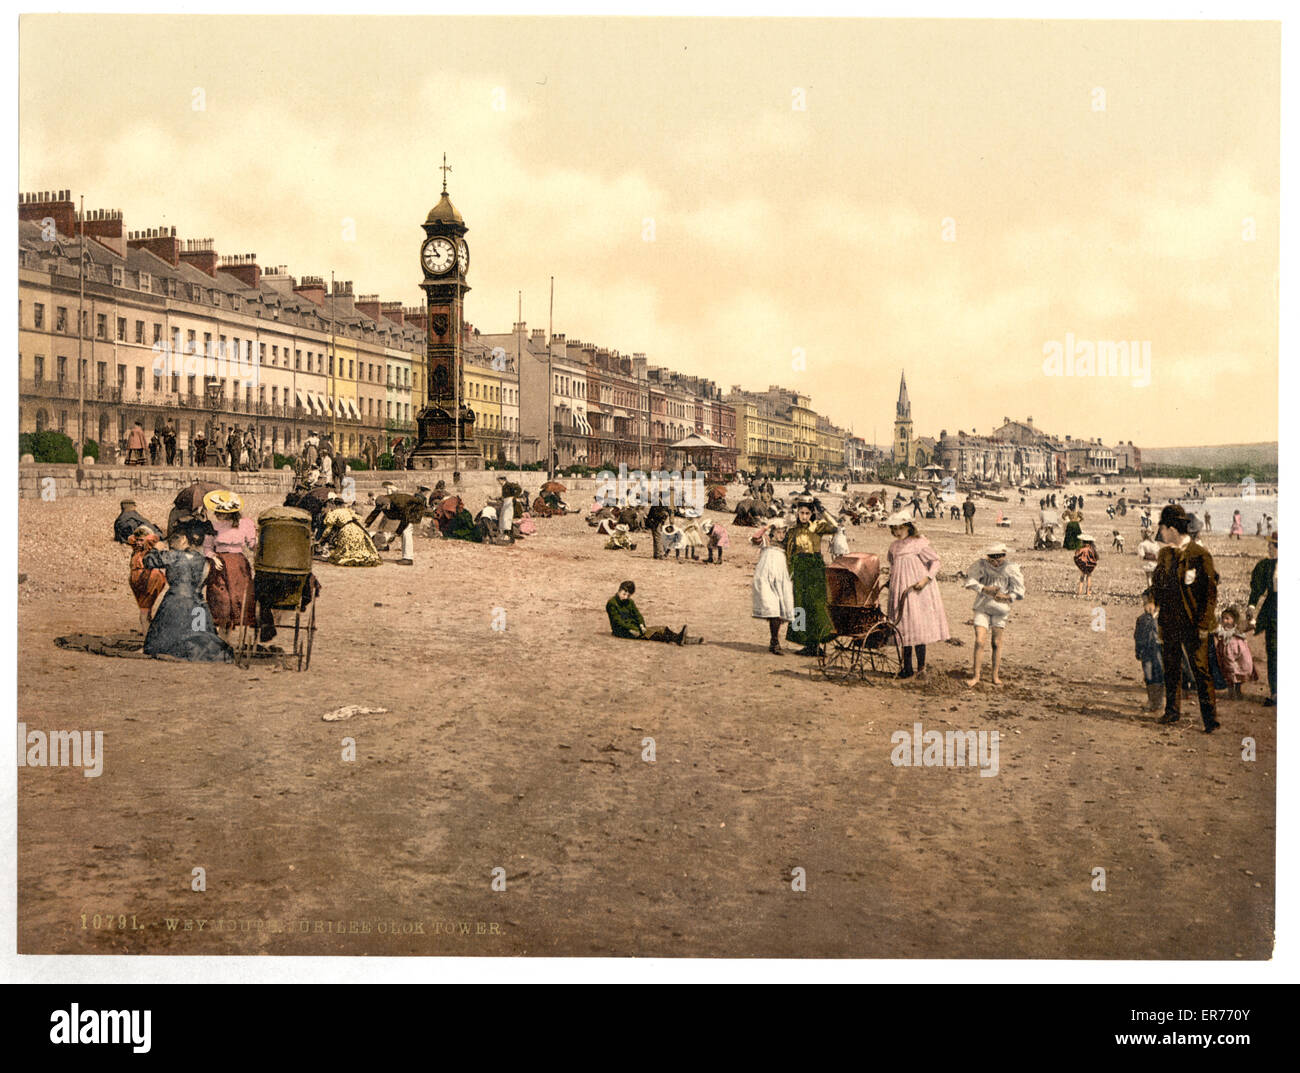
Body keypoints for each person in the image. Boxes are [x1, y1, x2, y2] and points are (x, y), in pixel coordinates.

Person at [1151, 504, 1220, 732]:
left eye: (1162, 527)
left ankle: (1210, 720)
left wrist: (1203, 625)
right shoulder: (1165, 554)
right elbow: (1157, 586)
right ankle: (1172, 712)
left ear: (1172, 528)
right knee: (1171, 668)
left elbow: (1210, 594)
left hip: (1194, 624)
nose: (1159, 532)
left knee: (1200, 670)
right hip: (1170, 622)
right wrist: (1151, 600)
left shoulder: (1200, 556)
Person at [141, 530, 234, 662]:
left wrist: (155, 549)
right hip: (198, 603)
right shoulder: (202, 559)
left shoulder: (173, 556)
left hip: (175, 601)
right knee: (202, 637)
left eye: (173, 541)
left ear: (184, 539)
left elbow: (148, 561)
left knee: (159, 642)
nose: (171, 545)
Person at [885, 511, 950, 678]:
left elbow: (935, 562)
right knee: (904, 626)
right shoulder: (894, 546)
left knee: (917, 626)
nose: (898, 532)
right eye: (895, 529)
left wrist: (926, 579)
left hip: (917, 589)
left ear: (909, 527)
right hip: (900, 589)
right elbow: (893, 566)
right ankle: (907, 668)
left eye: (901, 528)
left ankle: (921, 667)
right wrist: (891, 580)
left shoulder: (918, 543)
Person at [963, 542, 1024, 687]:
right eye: (992, 557)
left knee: (996, 643)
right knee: (979, 641)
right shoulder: (981, 565)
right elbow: (970, 581)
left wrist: (1008, 597)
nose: (996, 560)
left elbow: (1020, 591)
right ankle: (976, 676)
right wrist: (984, 589)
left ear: (1004, 555)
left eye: (999, 557)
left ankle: (995, 675)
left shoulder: (1011, 568)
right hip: (982, 607)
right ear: (987, 556)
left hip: (1001, 610)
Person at [201, 490, 258, 641]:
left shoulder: (244, 524)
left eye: (222, 512)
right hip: (219, 564)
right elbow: (207, 547)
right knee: (221, 599)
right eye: (217, 511)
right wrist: (213, 557)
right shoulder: (212, 525)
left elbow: (252, 544)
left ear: (232, 513)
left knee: (237, 597)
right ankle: (220, 637)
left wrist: (260, 544)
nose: (218, 514)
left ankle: (227, 638)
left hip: (238, 565)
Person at [784, 502, 839, 656]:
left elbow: (835, 527)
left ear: (811, 514)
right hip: (799, 569)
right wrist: (788, 573)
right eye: (801, 513)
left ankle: (817, 642)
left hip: (815, 568)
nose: (804, 516)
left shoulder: (818, 526)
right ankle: (806, 643)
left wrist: (823, 510)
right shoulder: (793, 531)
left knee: (816, 604)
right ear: (797, 514)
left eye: (807, 513)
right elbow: (788, 552)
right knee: (800, 605)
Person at [606, 581, 700, 644]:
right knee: (653, 634)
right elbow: (618, 621)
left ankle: (681, 638)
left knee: (661, 629)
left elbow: (637, 615)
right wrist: (632, 629)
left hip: (633, 627)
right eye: (624, 594)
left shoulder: (629, 602)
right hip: (622, 631)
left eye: (628, 595)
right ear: (619, 590)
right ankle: (680, 638)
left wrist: (642, 625)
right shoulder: (612, 603)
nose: (625, 597)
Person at [752, 519, 795, 654]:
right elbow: (755, 538)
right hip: (765, 577)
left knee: (780, 608)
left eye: (783, 532)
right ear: (773, 532)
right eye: (778, 531)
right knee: (772, 608)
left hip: (781, 577)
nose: (780, 535)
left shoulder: (786, 546)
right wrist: (767, 526)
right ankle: (774, 641)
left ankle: (774, 641)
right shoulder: (766, 541)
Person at [364, 482, 428, 565]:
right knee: (396, 529)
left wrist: (397, 532)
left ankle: (408, 558)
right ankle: (394, 549)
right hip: (403, 512)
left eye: (384, 508)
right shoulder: (383, 500)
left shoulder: (400, 504)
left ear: (388, 504)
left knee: (406, 531)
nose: (383, 510)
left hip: (415, 510)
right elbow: (375, 513)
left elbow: (406, 519)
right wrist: (366, 524)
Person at [1249, 531, 1278, 706]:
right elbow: (1257, 589)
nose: (1269, 548)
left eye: (1271, 546)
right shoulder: (1267, 566)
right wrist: (1251, 605)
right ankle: (1275, 693)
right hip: (1273, 612)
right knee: (1274, 652)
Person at [319, 497, 382, 567]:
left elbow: (328, 530)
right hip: (356, 529)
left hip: (346, 530)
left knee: (344, 552)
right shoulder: (348, 511)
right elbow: (358, 519)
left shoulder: (333, 513)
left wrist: (322, 539)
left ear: (334, 505)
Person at [127, 526, 166, 635]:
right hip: (137, 582)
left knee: (143, 614)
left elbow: (154, 540)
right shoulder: (136, 549)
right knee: (146, 612)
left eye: (141, 540)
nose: (138, 543)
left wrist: (149, 540)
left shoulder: (150, 549)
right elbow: (130, 539)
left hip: (148, 581)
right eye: (137, 540)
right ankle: (149, 633)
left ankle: (146, 639)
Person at [1134, 590, 1165, 712]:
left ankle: (1158, 702)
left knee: (1159, 674)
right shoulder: (1141, 619)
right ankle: (1151, 699)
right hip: (1146, 652)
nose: (1144, 606)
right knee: (1148, 675)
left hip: (1158, 652)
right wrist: (1138, 650)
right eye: (1143, 603)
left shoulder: (1163, 619)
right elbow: (1137, 636)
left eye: (1147, 603)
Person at [1214, 609, 1254, 700]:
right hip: (1227, 654)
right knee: (1229, 671)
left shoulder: (1237, 629)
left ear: (1234, 620)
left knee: (1239, 669)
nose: (1225, 621)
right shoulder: (1221, 629)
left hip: (1239, 652)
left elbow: (1249, 626)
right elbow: (1216, 632)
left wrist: (1250, 621)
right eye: (1223, 618)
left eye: (1227, 618)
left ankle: (1238, 690)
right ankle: (1231, 691)